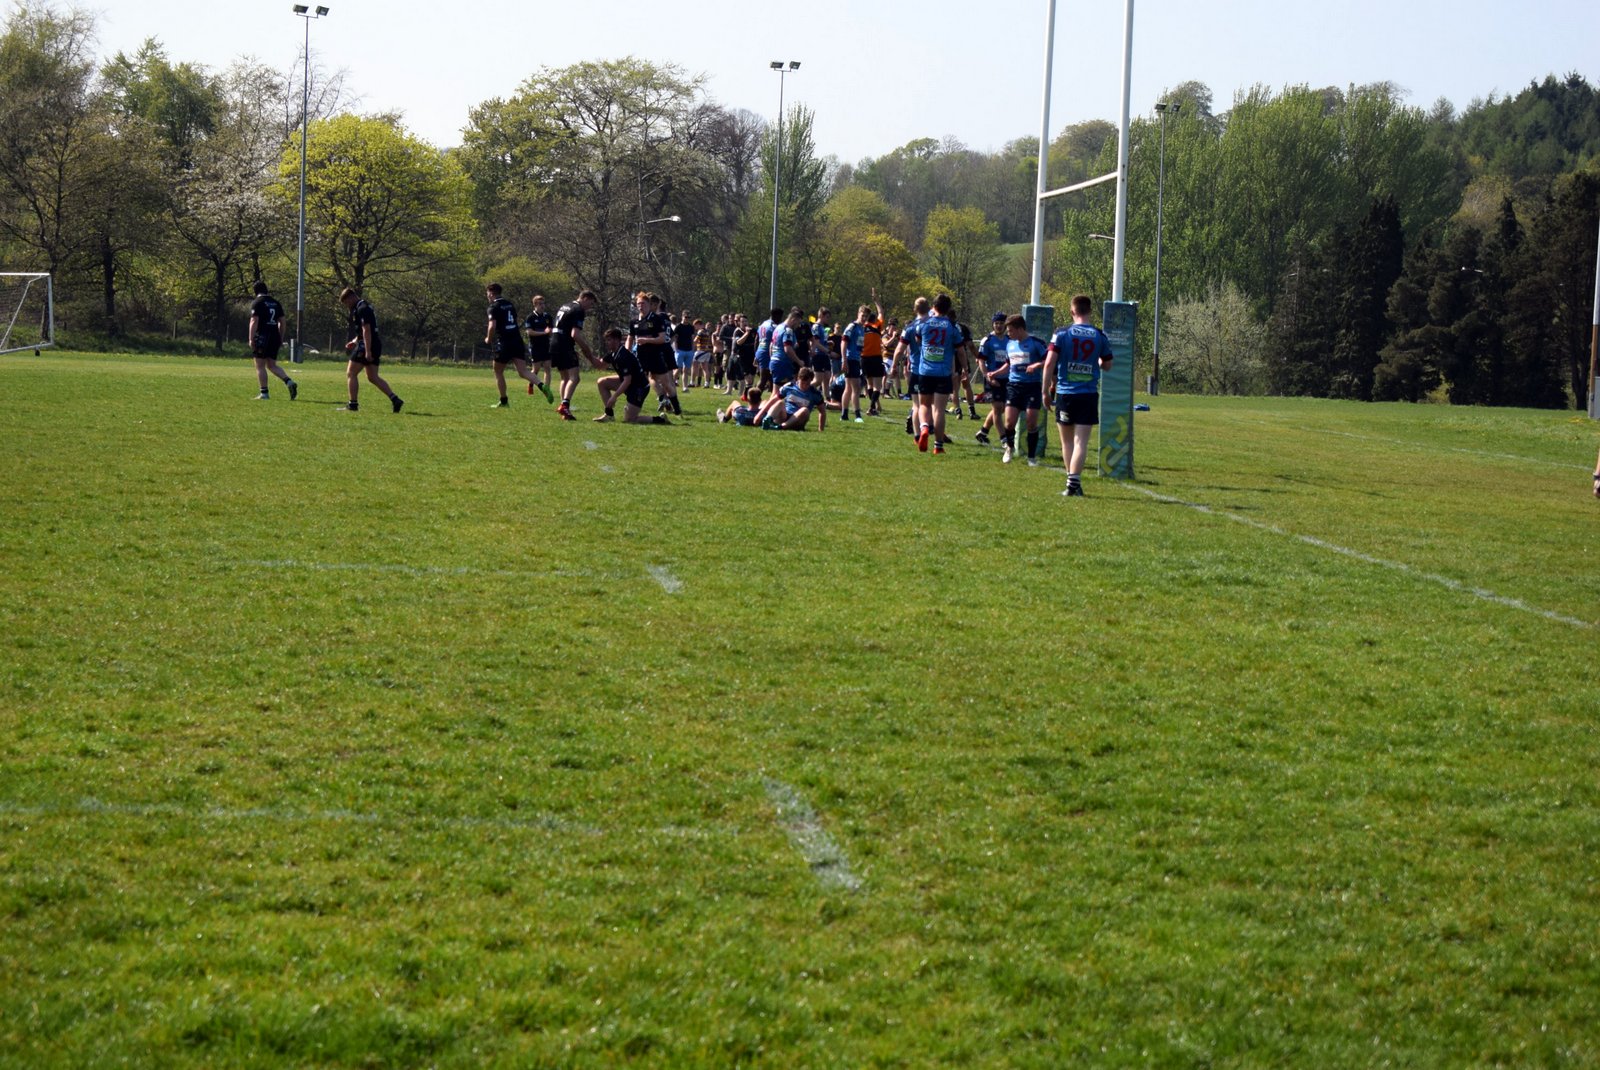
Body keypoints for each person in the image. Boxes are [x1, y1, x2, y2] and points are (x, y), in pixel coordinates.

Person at [1044, 294, 1115, 496]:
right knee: (1081, 442)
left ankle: (1072, 483)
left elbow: (1049, 363)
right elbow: (1108, 365)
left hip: (1066, 393)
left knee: (1067, 442)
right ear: (1090, 311)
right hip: (1088, 394)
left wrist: (1045, 391)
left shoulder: (1061, 333)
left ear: (1072, 311)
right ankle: (1074, 483)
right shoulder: (1099, 335)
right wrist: (1097, 362)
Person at [339, 287, 402, 412]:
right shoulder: (364, 306)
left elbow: (367, 330)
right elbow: (365, 331)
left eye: (346, 302)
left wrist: (367, 351)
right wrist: (354, 341)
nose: (347, 305)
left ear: (351, 297)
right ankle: (395, 399)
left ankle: (353, 404)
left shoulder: (362, 308)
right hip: (374, 343)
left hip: (367, 345)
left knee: (351, 373)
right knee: (372, 376)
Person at [909, 294, 957, 454]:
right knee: (939, 410)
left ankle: (923, 428)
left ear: (933, 307)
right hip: (943, 372)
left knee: (924, 405)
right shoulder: (951, 326)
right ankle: (938, 446)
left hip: (925, 371)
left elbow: (918, 340)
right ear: (948, 309)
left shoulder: (923, 323)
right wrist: (962, 368)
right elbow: (960, 349)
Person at [593, 327, 668, 424]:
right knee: (602, 382)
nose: (607, 342)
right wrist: (587, 353)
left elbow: (627, 380)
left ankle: (661, 419)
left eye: (609, 340)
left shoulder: (623, 356)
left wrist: (614, 397)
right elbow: (600, 365)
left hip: (639, 388)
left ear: (616, 340)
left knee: (629, 420)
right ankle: (609, 415)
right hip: (630, 383)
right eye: (606, 340)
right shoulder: (613, 353)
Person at [999, 313, 1047, 464]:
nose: (1008, 333)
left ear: (1020, 329)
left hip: (1032, 387)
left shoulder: (1036, 343)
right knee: (1009, 422)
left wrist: (1036, 365)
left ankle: (1031, 457)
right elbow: (1008, 364)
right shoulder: (1010, 344)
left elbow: (1048, 360)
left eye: (1010, 330)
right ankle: (1009, 448)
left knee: (1031, 423)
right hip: (1014, 386)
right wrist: (995, 373)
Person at [484, 283, 538, 407]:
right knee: (523, 371)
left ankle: (504, 401)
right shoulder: (510, 304)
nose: (487, 296)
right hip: (517, 341)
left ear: (491, 293)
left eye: (487, 294)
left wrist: (488, 339)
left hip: (504, 342)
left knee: (498, 371)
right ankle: (541, 384)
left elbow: (492, 326)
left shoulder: (493, 307)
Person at [550, 290, 598, 419]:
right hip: (564, 344)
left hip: (554, 343)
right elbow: (575, 334)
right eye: (590, 303)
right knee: (575, 378)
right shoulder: (578, 310)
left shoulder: (565, 305)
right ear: (585, 298)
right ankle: (565, 406)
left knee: (565, 378)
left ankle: (564, 409)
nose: (589, 307)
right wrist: (586, 349)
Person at [248, 281, 296, 400]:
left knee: (260, 365)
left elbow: (254, 321)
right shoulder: (275, 303)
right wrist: (280, 336)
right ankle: (289, 381)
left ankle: (264, 393)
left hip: (262, 336)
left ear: (255, 291)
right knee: (272, 365)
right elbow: (282, 322)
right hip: (275, 336)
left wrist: (251, 338)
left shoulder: (257, 302)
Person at [757, 366, 827, 431]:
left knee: (805, 410)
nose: (805, 386)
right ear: (798, 379)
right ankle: (767, 420)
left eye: (807, 384)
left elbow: (822, 411)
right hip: (785, 416)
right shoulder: (789, 387)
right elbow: (774, 399)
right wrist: (759, 414)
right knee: (780, 402)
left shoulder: (815, 393)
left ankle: (781, 427)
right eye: (802, 383)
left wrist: (821, 429)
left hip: (798, 421)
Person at [976, 311, 1009, 445]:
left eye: (1001, 323)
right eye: (996, 323)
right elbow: (981, 361)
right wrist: (987, 376)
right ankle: (1004, 439)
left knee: (1002, 408)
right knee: (998, 407)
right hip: (992, 378)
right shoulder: (987, 340)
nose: (999, 326)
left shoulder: (1010, 340)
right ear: (993, 324)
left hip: (1006, 379)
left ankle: (983, 432)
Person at [522, 294, 556, 402]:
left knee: (547, 367)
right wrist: (543, 333)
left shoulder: (548, 317)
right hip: (535, 346)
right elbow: (529, 332)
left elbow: (551, 330)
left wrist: (550, 332)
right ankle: (531, 384)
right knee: (536, 369)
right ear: (535, 305)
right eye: (540, 304)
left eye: (543, 303)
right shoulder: (530, 317)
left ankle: (547, 390)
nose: (542, 306)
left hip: (546, 345)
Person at [859, 290, 887, 415]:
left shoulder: (861, 327)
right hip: (876, 357)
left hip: (864, 358)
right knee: (877, 386)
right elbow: (881, 312)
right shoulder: (877, 326)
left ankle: (873, 407)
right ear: (874, 319)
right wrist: (876, 300)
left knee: (870, 385)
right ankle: (871, 408)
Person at [840, 307, 869, 422]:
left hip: (856, 360)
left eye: (866, 316)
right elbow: (844, 342)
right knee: (856, 387)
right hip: (850, 359)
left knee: (849, 388)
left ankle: (844, 414)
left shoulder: (862, 329)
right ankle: (857, 415)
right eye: (863, 315)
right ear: (858, 314)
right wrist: (844, 360)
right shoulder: (852, 326)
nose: (864, 318)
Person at [769, 307, 805, 390]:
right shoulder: (788, 330)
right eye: (798, 323)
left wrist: (772, 359)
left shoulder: (778, 327)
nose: (798, 326)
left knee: (778, 391)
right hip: (782, 363)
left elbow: (771, 345)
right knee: (787, 390)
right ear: (793, 320)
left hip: (775, 362)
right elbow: (787, 349)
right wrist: (799, 361)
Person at [671, 310, 697, 390]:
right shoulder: (678, 327)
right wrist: (676, 350)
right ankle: (670, 384)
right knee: (678, 369)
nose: (687, 319)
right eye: (686, 317)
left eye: (689, 317)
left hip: (689, 351)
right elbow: (675, 339)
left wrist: (693, 349)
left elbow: (692, 339)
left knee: (686, 370)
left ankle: (685, 387)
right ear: (682, 317)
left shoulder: (691, 327)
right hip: (680, 350)